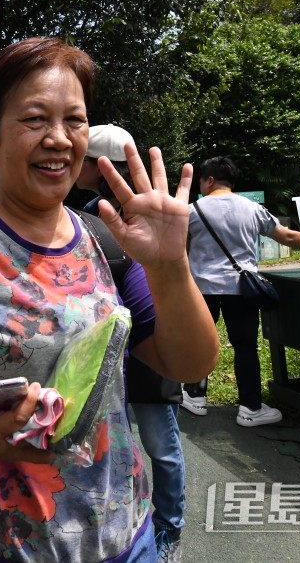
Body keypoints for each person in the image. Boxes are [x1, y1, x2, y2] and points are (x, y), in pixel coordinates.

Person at [0, 37, 219, 562]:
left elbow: (190, 362)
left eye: (74, 121)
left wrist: (170, 265)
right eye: (34, 119)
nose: (58, 139)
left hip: (121, 534)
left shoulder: (108, 243)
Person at [77, 124, 187, 561]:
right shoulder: (85, 210)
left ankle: (169, 528)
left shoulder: (148, 211)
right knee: (118, 445)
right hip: (109, 356)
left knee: (161, 445)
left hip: (148, 345)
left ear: (101, 166)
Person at [182, 156, 300, 427]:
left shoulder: (193, 210)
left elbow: (181, 249)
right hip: (242, 289)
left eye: (202, 181)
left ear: (209, 180)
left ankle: (195, 396)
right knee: (245, 347)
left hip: (202, 290)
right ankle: (250, 408)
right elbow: (287, 237)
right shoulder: (252, 209)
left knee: (200, 343)